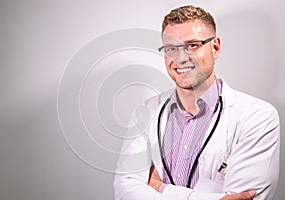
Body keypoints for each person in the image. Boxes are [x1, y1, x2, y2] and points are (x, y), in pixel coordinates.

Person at [113, 5, 280, 200]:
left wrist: (160, 188)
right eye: (171, 48)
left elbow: (244, 198)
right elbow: (125, 190)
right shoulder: (146, 112)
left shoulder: (257, 117)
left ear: (215, 47)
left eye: (192, 45)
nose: (181, 58)